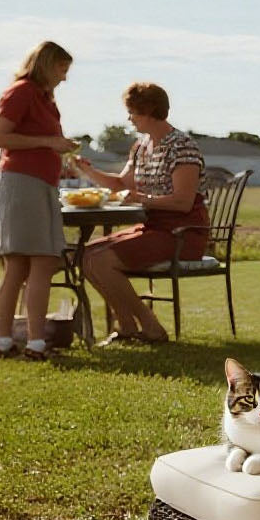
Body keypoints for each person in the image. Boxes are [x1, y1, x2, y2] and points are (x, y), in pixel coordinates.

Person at [72, 82, 207, 345]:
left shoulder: (182, 146)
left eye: (133, 112)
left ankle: (151, 328)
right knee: (85, 254)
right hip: (152, 228)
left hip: (182, 233)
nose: (129, 118)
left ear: (149, 110)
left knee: (100, 261)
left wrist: (142, 199)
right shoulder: (141, 146)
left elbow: (182, 202)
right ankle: (127, 327)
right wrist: (87, 170)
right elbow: (122, 184)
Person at [0, 41, 80, 361]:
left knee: (19, 264)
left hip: (37, 185)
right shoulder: (22, 92)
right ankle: (35, 344)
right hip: (23, 185)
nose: (64, 78)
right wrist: (49, 142)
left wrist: (58, 151)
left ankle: (5, 342)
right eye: (62, 70)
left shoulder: (43, 98)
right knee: (39, 261)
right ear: (45, 64)